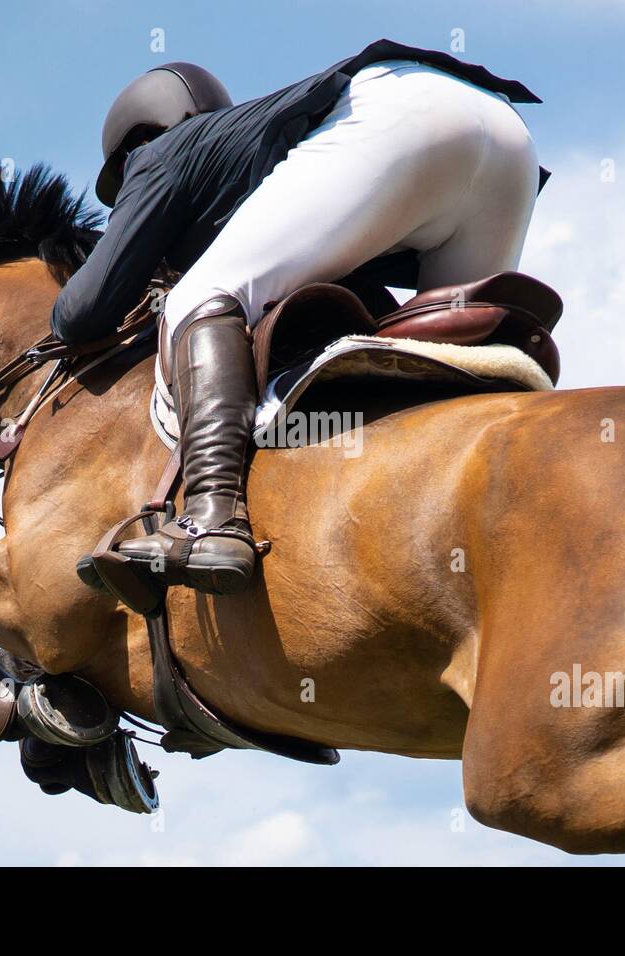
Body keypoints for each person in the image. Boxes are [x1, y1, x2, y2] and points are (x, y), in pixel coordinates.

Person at [53, 39, 545, 596]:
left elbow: (85, 311)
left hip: (402, 112)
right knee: (452, 364)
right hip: (507, 142)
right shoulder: (269, 162)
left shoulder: (159, 153)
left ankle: (212, 518)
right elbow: (362, 307)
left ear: (137, 142)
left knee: (198, 297)